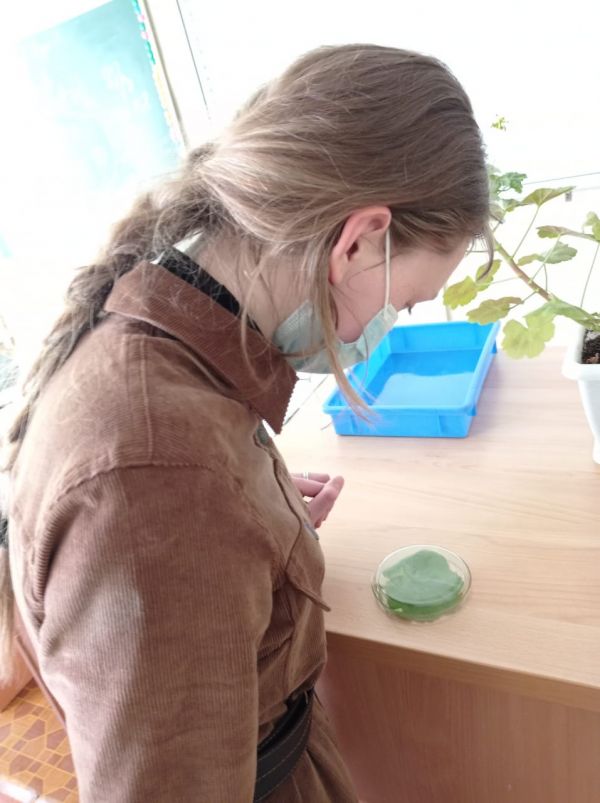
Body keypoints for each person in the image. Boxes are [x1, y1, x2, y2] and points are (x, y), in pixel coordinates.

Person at [0, 43, 491, 802]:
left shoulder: (172, 349)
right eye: (404, 302)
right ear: (358, 240)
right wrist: (201, 509)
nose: (387, 326)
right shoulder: (159, 479)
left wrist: (253, 518)